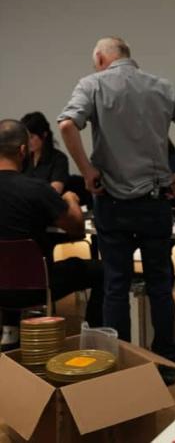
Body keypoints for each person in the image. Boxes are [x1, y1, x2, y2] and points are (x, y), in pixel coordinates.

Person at [57, 36, 175, 385]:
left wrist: (87, 171)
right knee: (161, 286)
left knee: (116, 286)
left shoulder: (92, 84)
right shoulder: (161, 86)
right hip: (155, 202)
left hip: (112, 204)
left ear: (102, 58)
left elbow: (67, 124)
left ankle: (118, 362)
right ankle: (166, 361)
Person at [0, 119, 103, 348]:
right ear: (23, 150)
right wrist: (71, 199)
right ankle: (94, 341)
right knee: (104, 271)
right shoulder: (35, 189)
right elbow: (76, 230)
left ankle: (10, 331)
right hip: (35, 287)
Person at [21, 111, 69, 194]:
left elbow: (54, 192)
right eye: (26, 137)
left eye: (31, 137)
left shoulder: (59, 159)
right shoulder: (25, 157)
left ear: (44, 134)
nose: (28, 141)